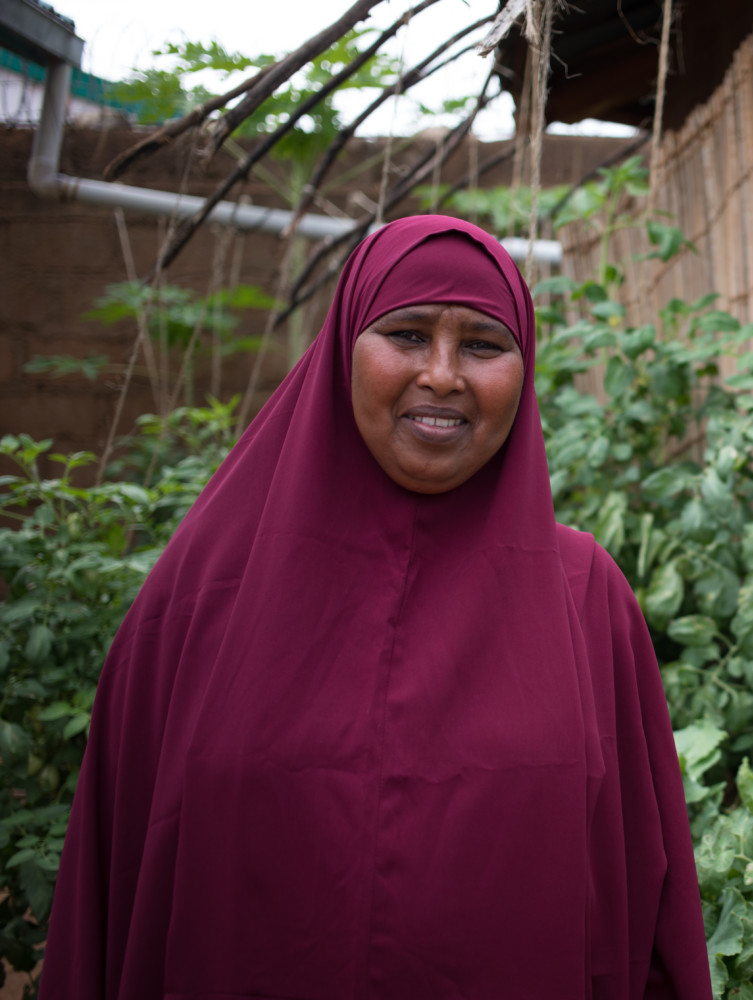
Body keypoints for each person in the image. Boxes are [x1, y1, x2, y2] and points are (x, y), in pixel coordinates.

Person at [44, 216, 713, 999]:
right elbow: (114, 883)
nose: (442, 375)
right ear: (341, 352)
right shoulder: (206, 593)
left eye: (483, 345)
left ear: (524, 372)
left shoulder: (584, 599)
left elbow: (646, 896)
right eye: (407, 334)